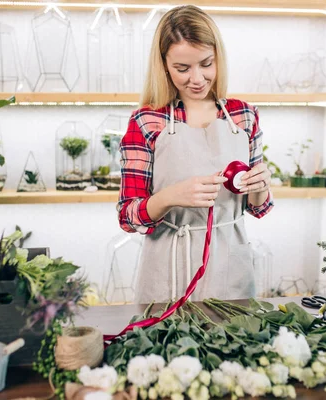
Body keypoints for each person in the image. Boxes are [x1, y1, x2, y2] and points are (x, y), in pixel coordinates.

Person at [117, 5, 274, 304]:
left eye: (206, 63)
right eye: (183, 68)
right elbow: (128, 216)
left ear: (218, 57)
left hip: (232, 269)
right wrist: (169, 196)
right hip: (168, 273)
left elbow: (258, 208)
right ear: (164, 65)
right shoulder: (147, 121)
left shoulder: (244, 116)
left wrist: (260, 186)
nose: (198, 78)